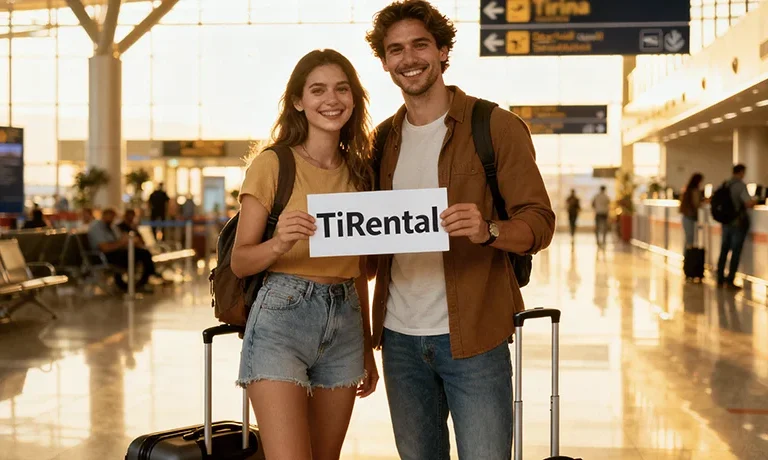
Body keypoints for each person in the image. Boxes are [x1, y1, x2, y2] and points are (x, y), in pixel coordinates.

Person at [364, 2, 556, 458]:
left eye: (420, 45)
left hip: (476, 334)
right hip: (399, 339)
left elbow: (539, 222)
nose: (408, 59)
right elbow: (369, 241)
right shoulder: (382, 141)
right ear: (385, 62)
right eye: (395, 50)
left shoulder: (496, 127)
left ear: (443, 51)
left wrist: (489, 229)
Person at [231, 49, 379, 460]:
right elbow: (240, 262)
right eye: (318, 90)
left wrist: (366, 346)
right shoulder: (273, 164)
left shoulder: (359, 173)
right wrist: (278, 242)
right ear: (298, 101)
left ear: (354, 99)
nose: (331, 99)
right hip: (282, 319)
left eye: (341, 89)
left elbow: (356, 271)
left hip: (345, 323)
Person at [87, 208, 159, 293]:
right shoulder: (96, 227)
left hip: (117, 251)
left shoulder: (112, 227)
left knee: (143, 253)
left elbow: (121, 239)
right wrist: (121, 243)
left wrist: (127, 241)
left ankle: (142, 281)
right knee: (139, 255)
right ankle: (135, 283)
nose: (112, 218)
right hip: (105, 256)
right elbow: (105, 247)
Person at [716, 164, 756, 289]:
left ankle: (719, 279)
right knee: (735, 252)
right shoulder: (740, 185)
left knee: (724, 250)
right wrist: (755, 200)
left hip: (725, 222)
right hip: (737, 223)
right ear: (741, 172)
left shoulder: (725, 184)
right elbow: (748, 203)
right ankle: (730, 280)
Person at [679, 172, 704, 248]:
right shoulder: (694, 191)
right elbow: (696, 203)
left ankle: (687, 254)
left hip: (687, 216)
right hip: (690, 216)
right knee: (690, 238)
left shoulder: (688, 189)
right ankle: (688, 254)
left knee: (689, 238)